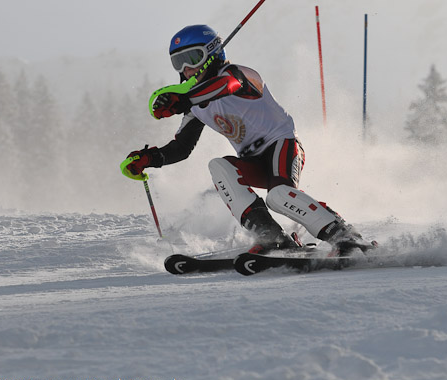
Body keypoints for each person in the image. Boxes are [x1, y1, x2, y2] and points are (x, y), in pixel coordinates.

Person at [123, 24, 376, 255]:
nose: (185, 69)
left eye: (191, 59)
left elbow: (226, 85)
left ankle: (345, 236)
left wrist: (186, 99)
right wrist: (149, 159)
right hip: (252, 160)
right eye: (177, 63)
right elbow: (181, 148)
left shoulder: (239, 74)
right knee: (218, 166)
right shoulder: (196, 105)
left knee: (279, 196)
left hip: (282, 145)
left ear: (212, 53)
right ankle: (271, 236)